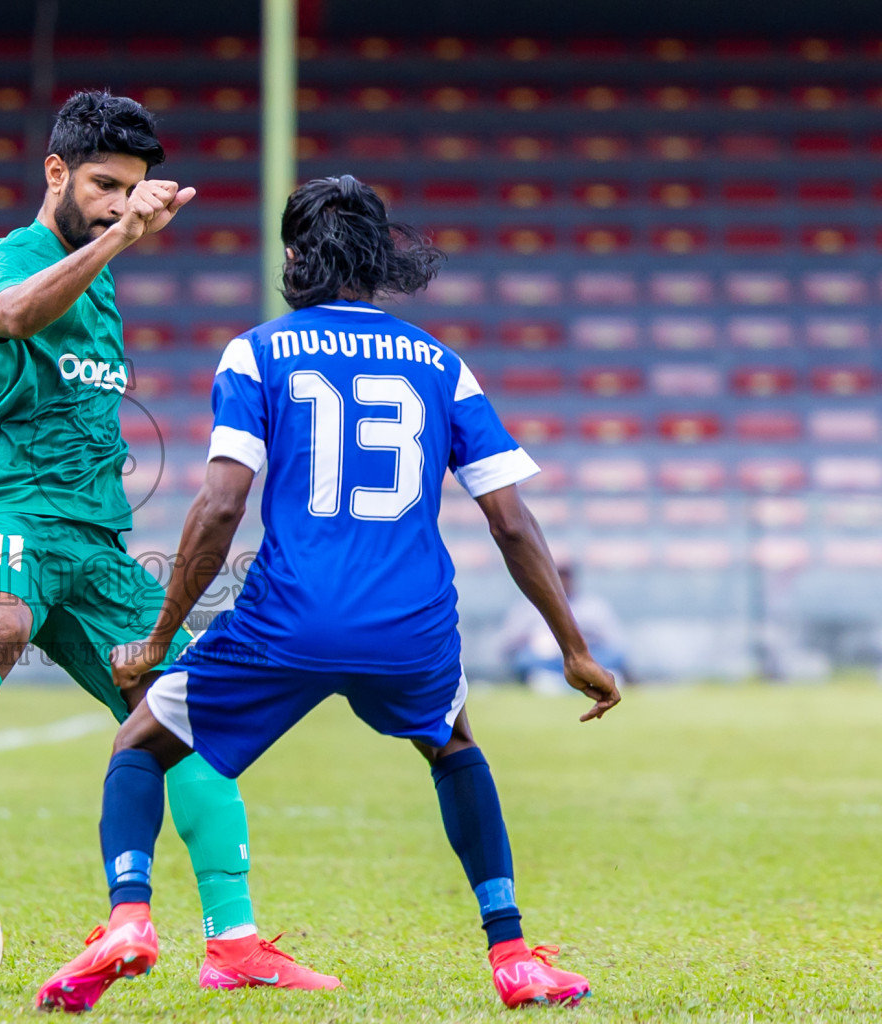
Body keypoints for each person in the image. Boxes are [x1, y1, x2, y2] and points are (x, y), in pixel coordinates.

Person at [34, 175, 622, 1013]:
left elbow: (222, 503)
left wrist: (163, 635)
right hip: (409, 627)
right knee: (453, 747)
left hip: (289, 620)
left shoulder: (258, 352)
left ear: (298, 256)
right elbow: (512, 522)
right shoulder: (442, 365)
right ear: (377, 257)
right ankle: (514, 953)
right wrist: (573, 647)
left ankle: (129, 918)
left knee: (139, 744)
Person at [0, 91, 336, 993]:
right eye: (104, 186)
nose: (117, 205)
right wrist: (120, 237)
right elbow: (9, 319)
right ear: (56, 172)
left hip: (96, 533)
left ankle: (233, 943)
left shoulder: (93, 277)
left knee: (183, 709)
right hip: (6, 506)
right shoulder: (10, 261)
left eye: (132, 191)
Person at [498, 562, 628, 693]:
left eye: (566, 577)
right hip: (548, 660)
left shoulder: (593, 605)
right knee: (524, 659)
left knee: (615, 655)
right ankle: (549, 681)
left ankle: (600, 677)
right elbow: (508, 645)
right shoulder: (529, 606)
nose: (562, 581)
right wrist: (534, 638)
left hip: (588, 655)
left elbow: (614, 641)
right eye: (557, 576)